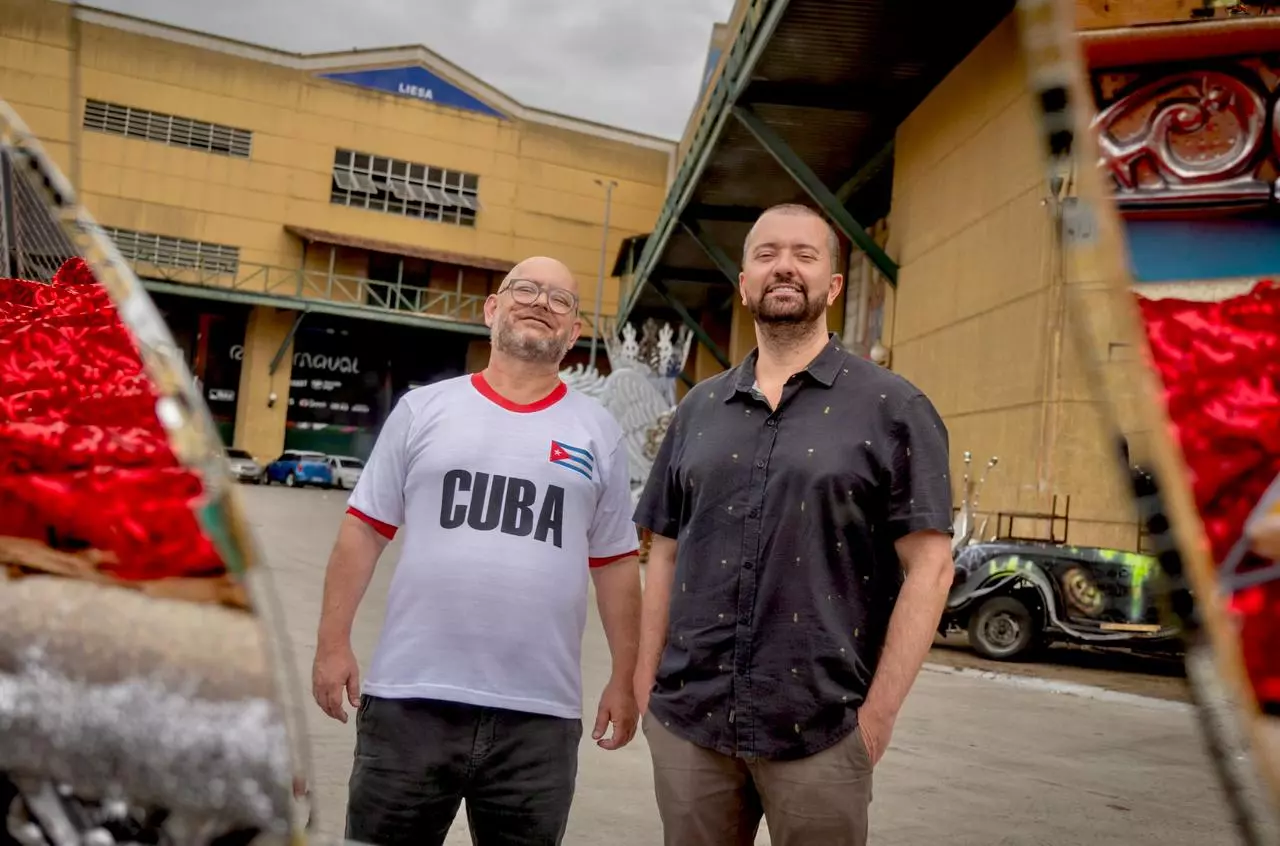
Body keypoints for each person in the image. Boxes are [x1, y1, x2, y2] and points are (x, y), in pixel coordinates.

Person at [632, 204, 956, 846]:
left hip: (824, 729)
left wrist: (878, 717)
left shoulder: (893, 407)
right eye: (767, 254)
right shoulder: (698, 409)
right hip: (690, 722)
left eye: (804, 255)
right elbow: (663, 550)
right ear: (744, 283)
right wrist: (647, 684)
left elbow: (932, 566)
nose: (784, 267)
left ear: (833, 286)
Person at [311, 256, 643, 846]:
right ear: (492, 309)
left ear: (574, 332)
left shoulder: (599, 432)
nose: (540, 303)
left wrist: (625, 677)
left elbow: (616, 563)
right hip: (410, 700)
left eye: (560, 299)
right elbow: (364, 529)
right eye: (525, 289)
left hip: (539, 718)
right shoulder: (423, 410)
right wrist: (331, 644)